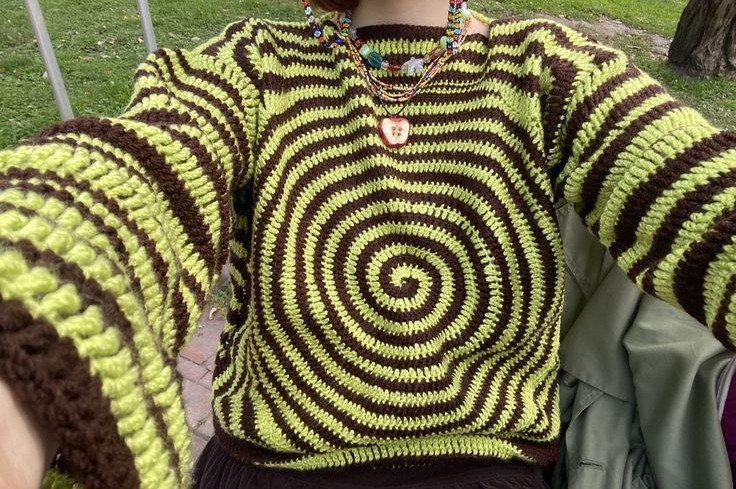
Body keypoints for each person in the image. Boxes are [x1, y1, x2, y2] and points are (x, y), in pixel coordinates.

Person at [1, 0, 735, 487]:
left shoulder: (549, 69)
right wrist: (30, 336)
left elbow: (693, 189)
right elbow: (132, 179)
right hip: (275, 469)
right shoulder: (252, 65)